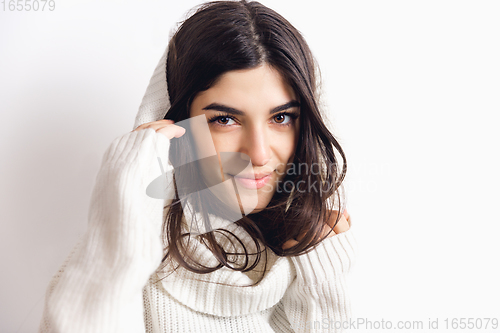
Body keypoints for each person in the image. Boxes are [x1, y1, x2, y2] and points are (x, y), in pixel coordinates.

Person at [38, 0, 357, 332]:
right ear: (178, 122)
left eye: (281, 117)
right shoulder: (123, 254)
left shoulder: (307, 252)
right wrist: (127, 200)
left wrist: (321, 266)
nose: (259, 154)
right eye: (225, 119)